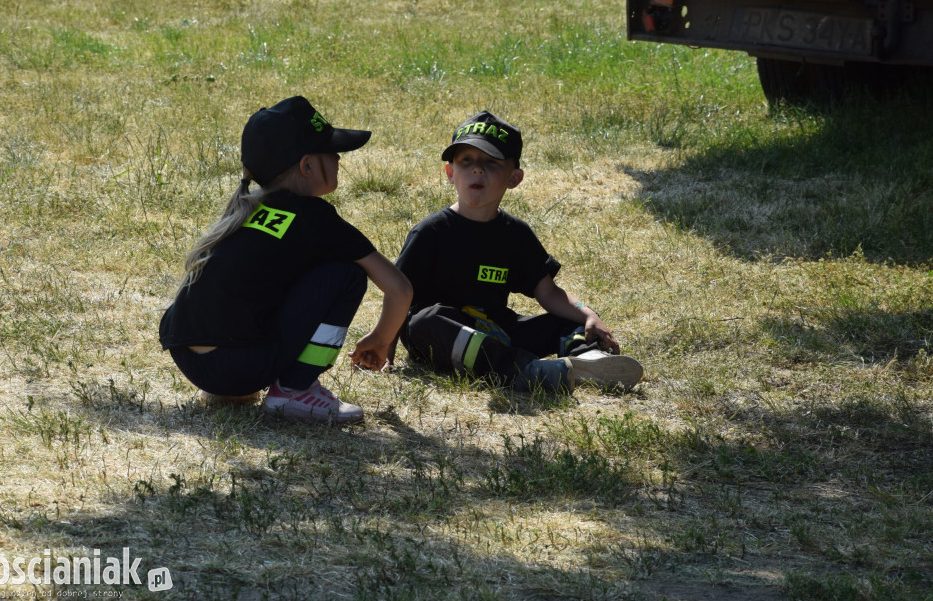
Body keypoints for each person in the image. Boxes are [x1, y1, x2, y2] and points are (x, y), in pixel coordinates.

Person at [159, 96, 412, 423]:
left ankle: (229, 391)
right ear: (307, 166)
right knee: (346, 274)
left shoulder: (246, 208)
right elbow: (400, 289)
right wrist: (379, 340)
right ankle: (295, 389)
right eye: (331, 151)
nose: (337, 157)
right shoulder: (315, 217)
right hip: (238, 368)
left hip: (188, 358)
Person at [393, 110, 642, 394]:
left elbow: (548, 293)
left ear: (514, 178)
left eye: (491, 162)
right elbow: (398, 295)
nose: (477, 169)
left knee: (566, 322)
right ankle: (524, 371)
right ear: (451, 173)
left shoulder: (515, 234)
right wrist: (384, 345)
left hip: (497, 330)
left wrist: (587, 315)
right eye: (466, 161)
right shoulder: (430, 232)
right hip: (444, 339)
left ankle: (589, 362)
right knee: (425, 320)